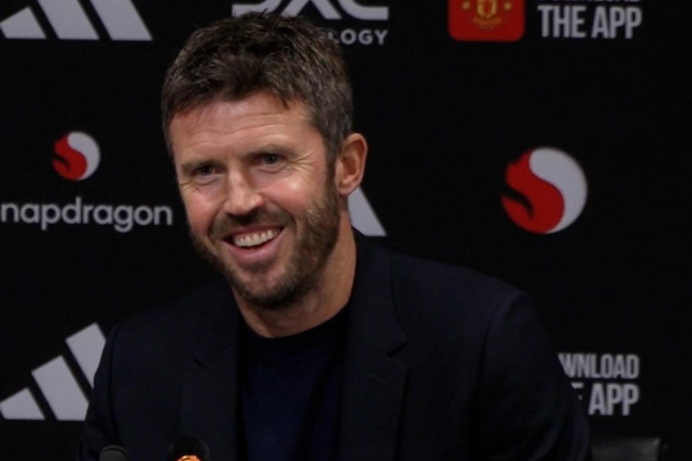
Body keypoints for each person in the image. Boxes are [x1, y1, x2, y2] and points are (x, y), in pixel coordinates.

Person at [77, 12, 592, 461]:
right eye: (205, 171)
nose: (239, 201)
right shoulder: (138, 365)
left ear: (347, 165)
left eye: (270, 159)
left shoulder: (481, 345)